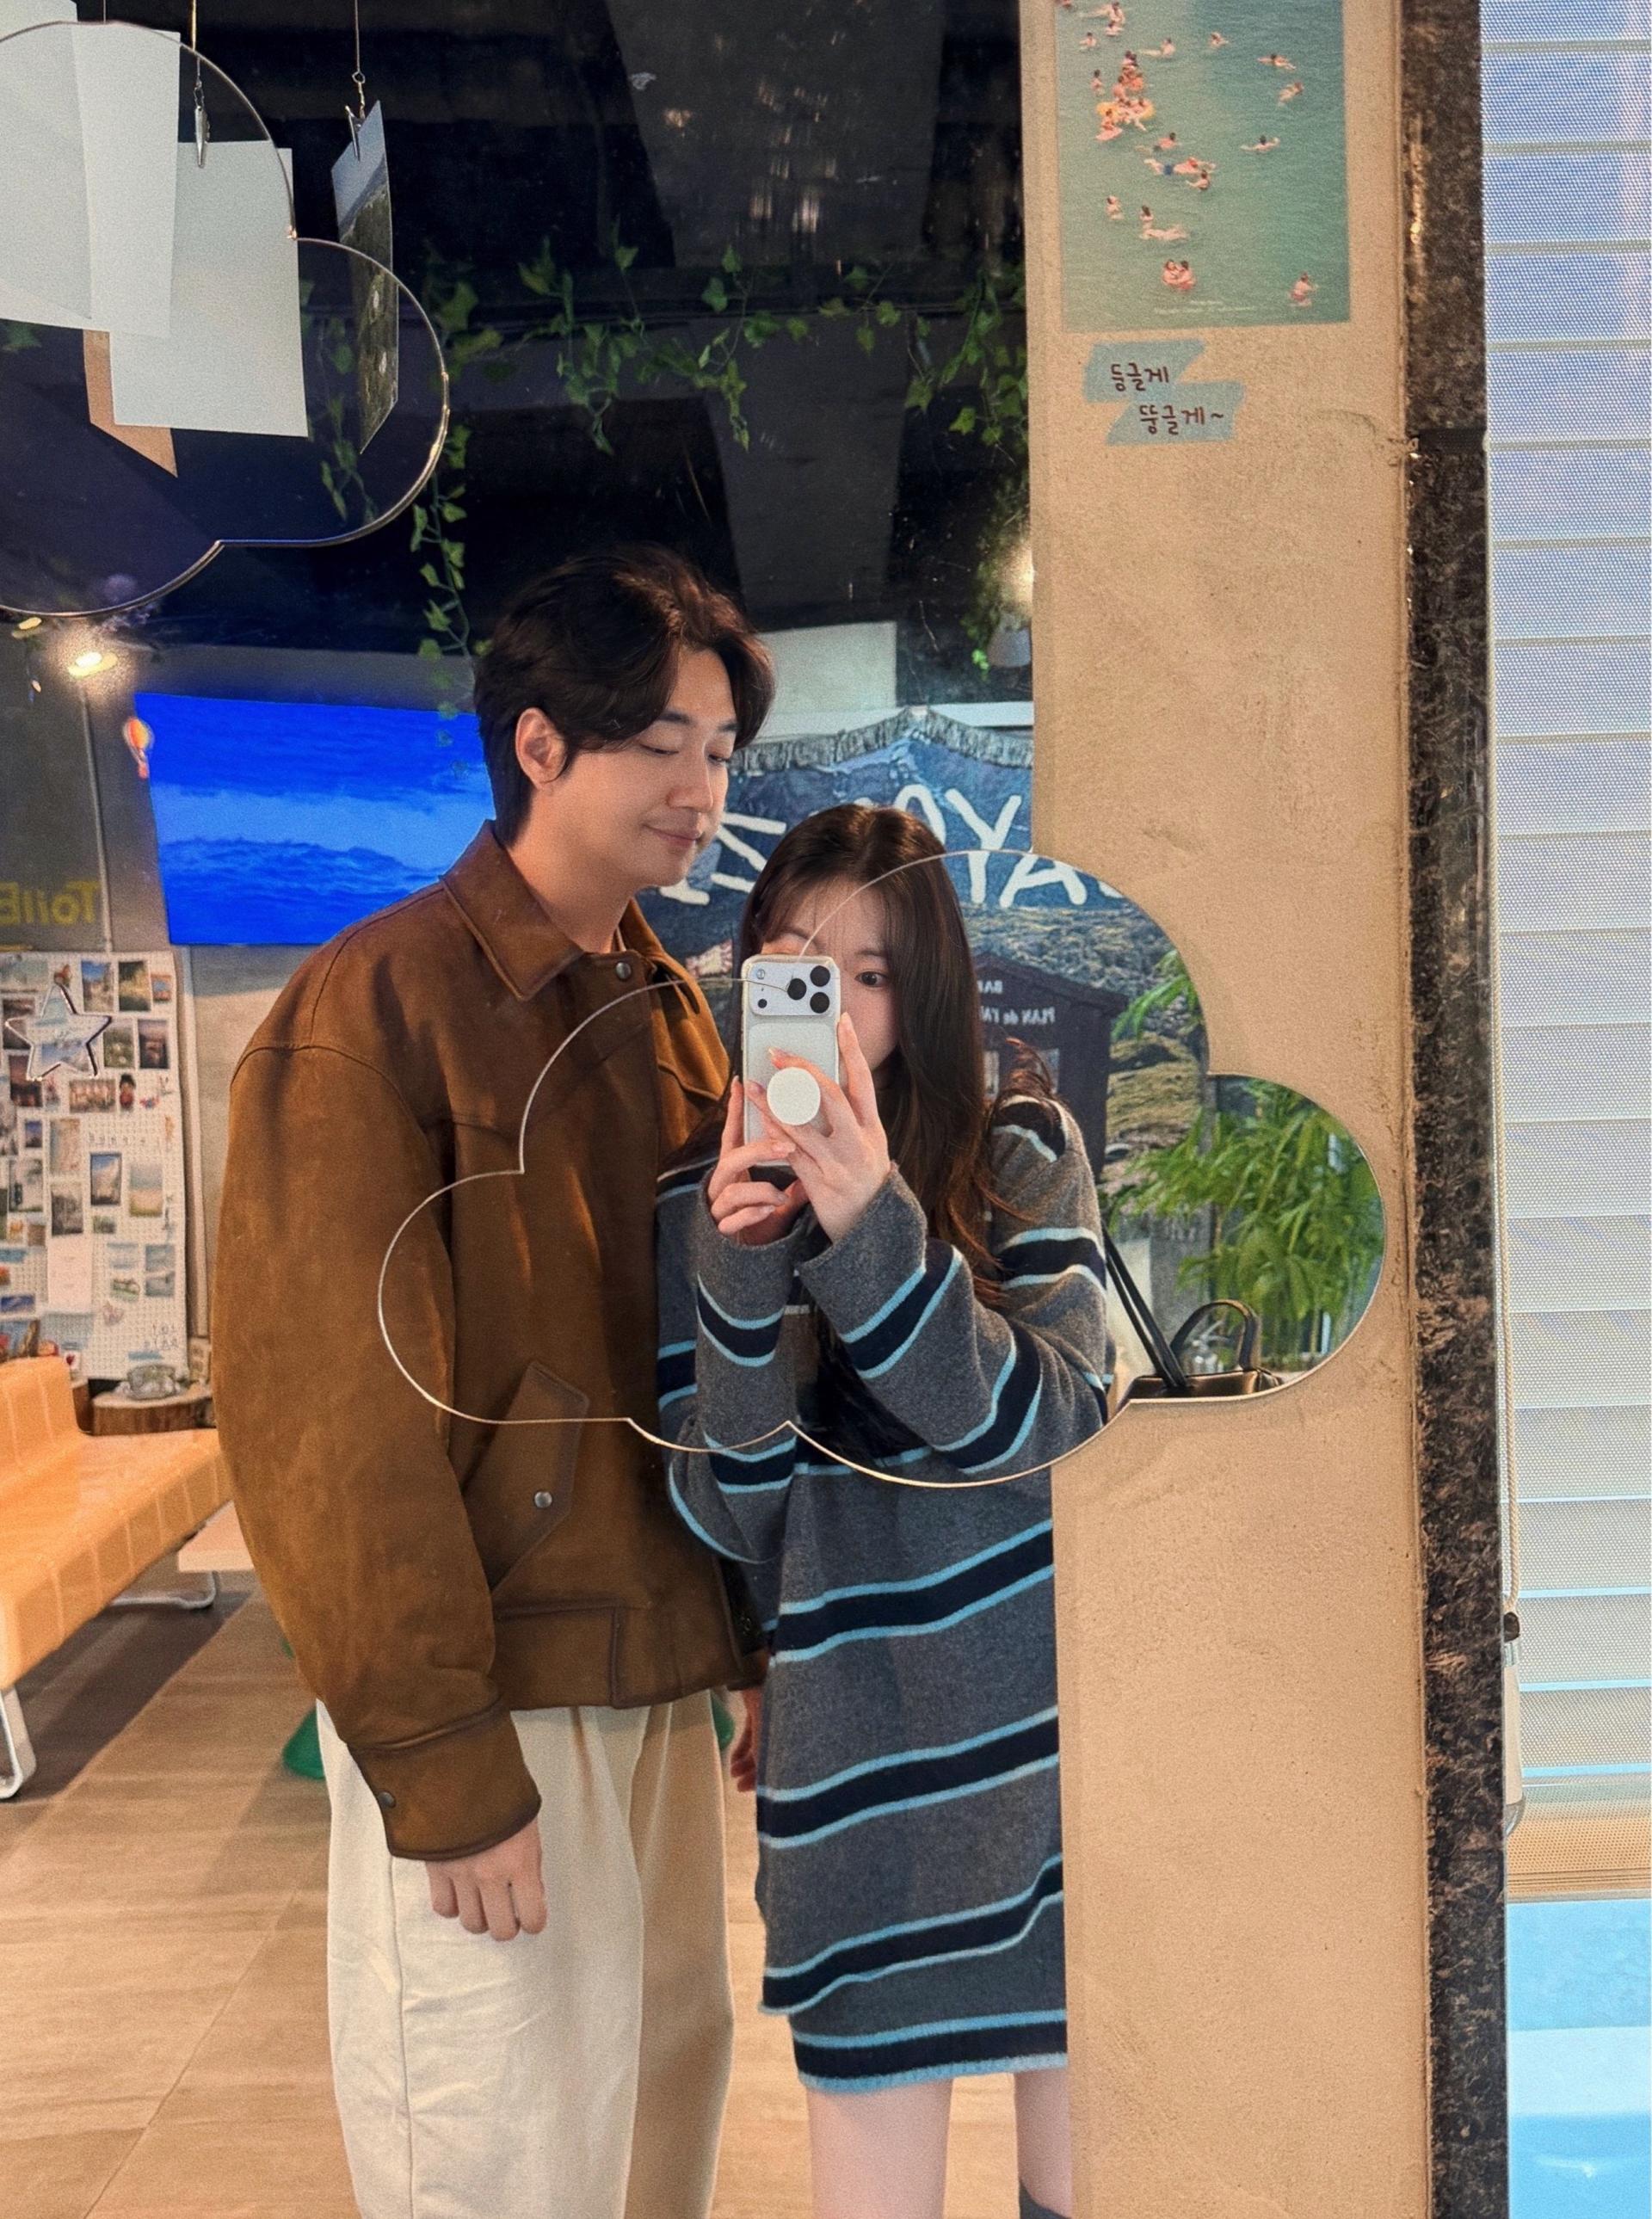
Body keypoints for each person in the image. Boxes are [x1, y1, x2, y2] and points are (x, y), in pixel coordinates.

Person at [212, 547, 776, 2219]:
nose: (702, 790)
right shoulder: (373, 1008)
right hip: (503, 1685)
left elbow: (716, 1356)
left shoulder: (668, 1008)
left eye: (720, 751)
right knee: (501, 2156)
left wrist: (755, 1637)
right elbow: (326, 1431)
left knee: (656, 2126)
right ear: (539, 744)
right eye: (663, 745)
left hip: (659, 1668)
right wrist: (441, 1760)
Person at [655, 805, 1113, 2219]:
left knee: (1084, 2189)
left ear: (927, 990)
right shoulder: (700, 1193)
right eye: (800, 964)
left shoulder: (1019, 1146)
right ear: (750, 971)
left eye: (872, 973)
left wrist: (872, 1223)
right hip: (857, 1776)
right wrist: (744, 1268)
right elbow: (736, 1506)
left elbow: (1043, 1428)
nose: (837, 1007)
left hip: (1052, 1766)